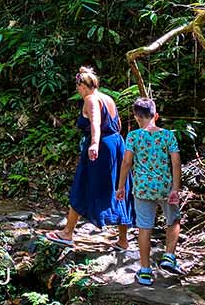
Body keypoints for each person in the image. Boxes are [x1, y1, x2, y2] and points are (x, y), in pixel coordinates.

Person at [46, 67, 134, 249]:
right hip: (116, 144)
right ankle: (123, 241)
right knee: (119, 186)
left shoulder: (91, 99)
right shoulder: (107, 98)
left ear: (82, 85)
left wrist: (94, 143)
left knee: (83, 185)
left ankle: (67, 233)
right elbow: (116, 124)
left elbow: (95, 123)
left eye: (77, 86)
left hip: (100, 147)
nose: (77, 90)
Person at [116, 97, 183, 286]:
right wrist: (176, 188)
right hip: (165, 188)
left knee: (144, 227)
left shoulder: (133, 136)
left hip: (143, 189)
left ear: (136, 117)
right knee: (174, 220)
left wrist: (120, 187)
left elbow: (127, 163)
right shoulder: (168, 135)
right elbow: (176, 162)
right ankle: (169, 255)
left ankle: (145, 271)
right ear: (156, 115)